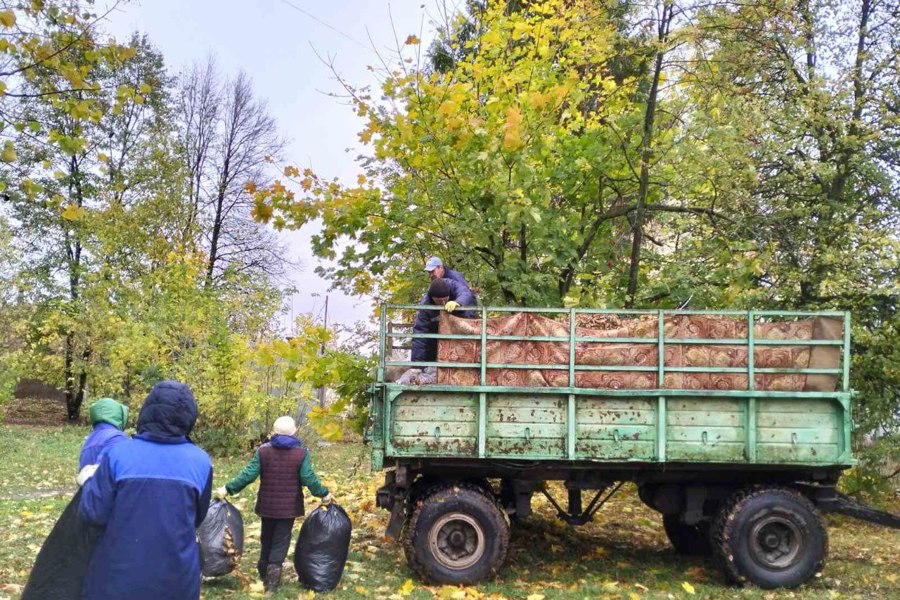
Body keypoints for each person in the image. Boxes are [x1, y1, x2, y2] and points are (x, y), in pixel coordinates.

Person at [79, 380, 213, 600]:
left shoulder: (117, 455)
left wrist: (88, 483)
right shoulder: (201, 462)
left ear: (147, 412)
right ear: (189, 417)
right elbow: (196, 517)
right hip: (177, 582)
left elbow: (93, 514)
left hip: (116, 580)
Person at [215, 415, 332, 594]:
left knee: (266, 538)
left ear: (274, 433)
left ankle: (263, 570)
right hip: (288, 508)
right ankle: (272, 582)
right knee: (280, 541)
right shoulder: (301, 454)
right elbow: (308, 478)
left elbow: (247, 475)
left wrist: (228, 489)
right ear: (294, 432)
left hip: (267, 506)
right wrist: (323, 493)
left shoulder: (263, 451)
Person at [410, 277, 478, 370]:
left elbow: (465, 293)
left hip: (461, 318)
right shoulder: (425, 306)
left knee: (468, 337)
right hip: (437, 331)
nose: (442, 303)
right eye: (438, 302)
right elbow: (419, 334)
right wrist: (416, 366)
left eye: (444, 300)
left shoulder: (454, 285)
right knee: (431, 339)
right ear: (432, 298)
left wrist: (458, 302)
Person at [76, 398, 129, 486]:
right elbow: (104, 470)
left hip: (88, 495)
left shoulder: (89, 439)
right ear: (119, 415)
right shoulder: (117, 437)